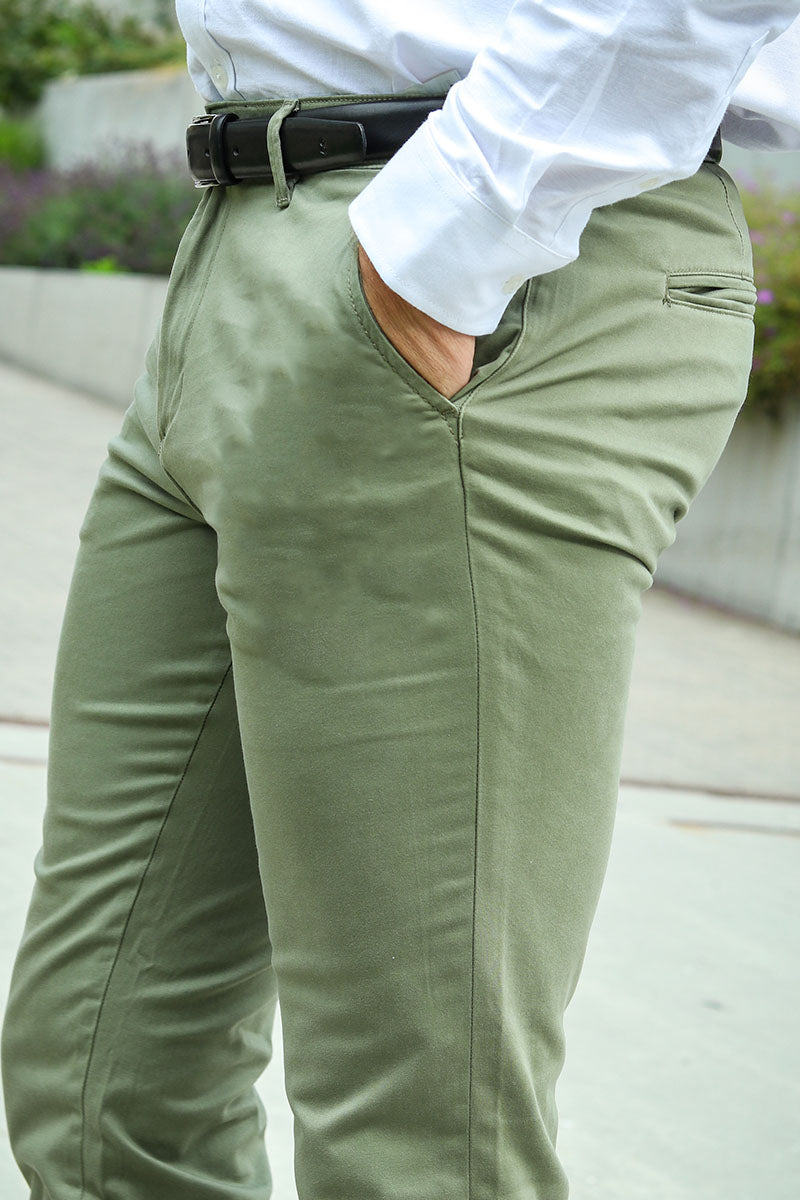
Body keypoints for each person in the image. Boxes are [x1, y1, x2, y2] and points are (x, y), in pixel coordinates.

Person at [3, 3, 800, 1198]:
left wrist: (454, 232)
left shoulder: (452, 239)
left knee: (419, 1140)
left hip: (484, 252)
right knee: (102, 1083)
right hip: (245, 232)